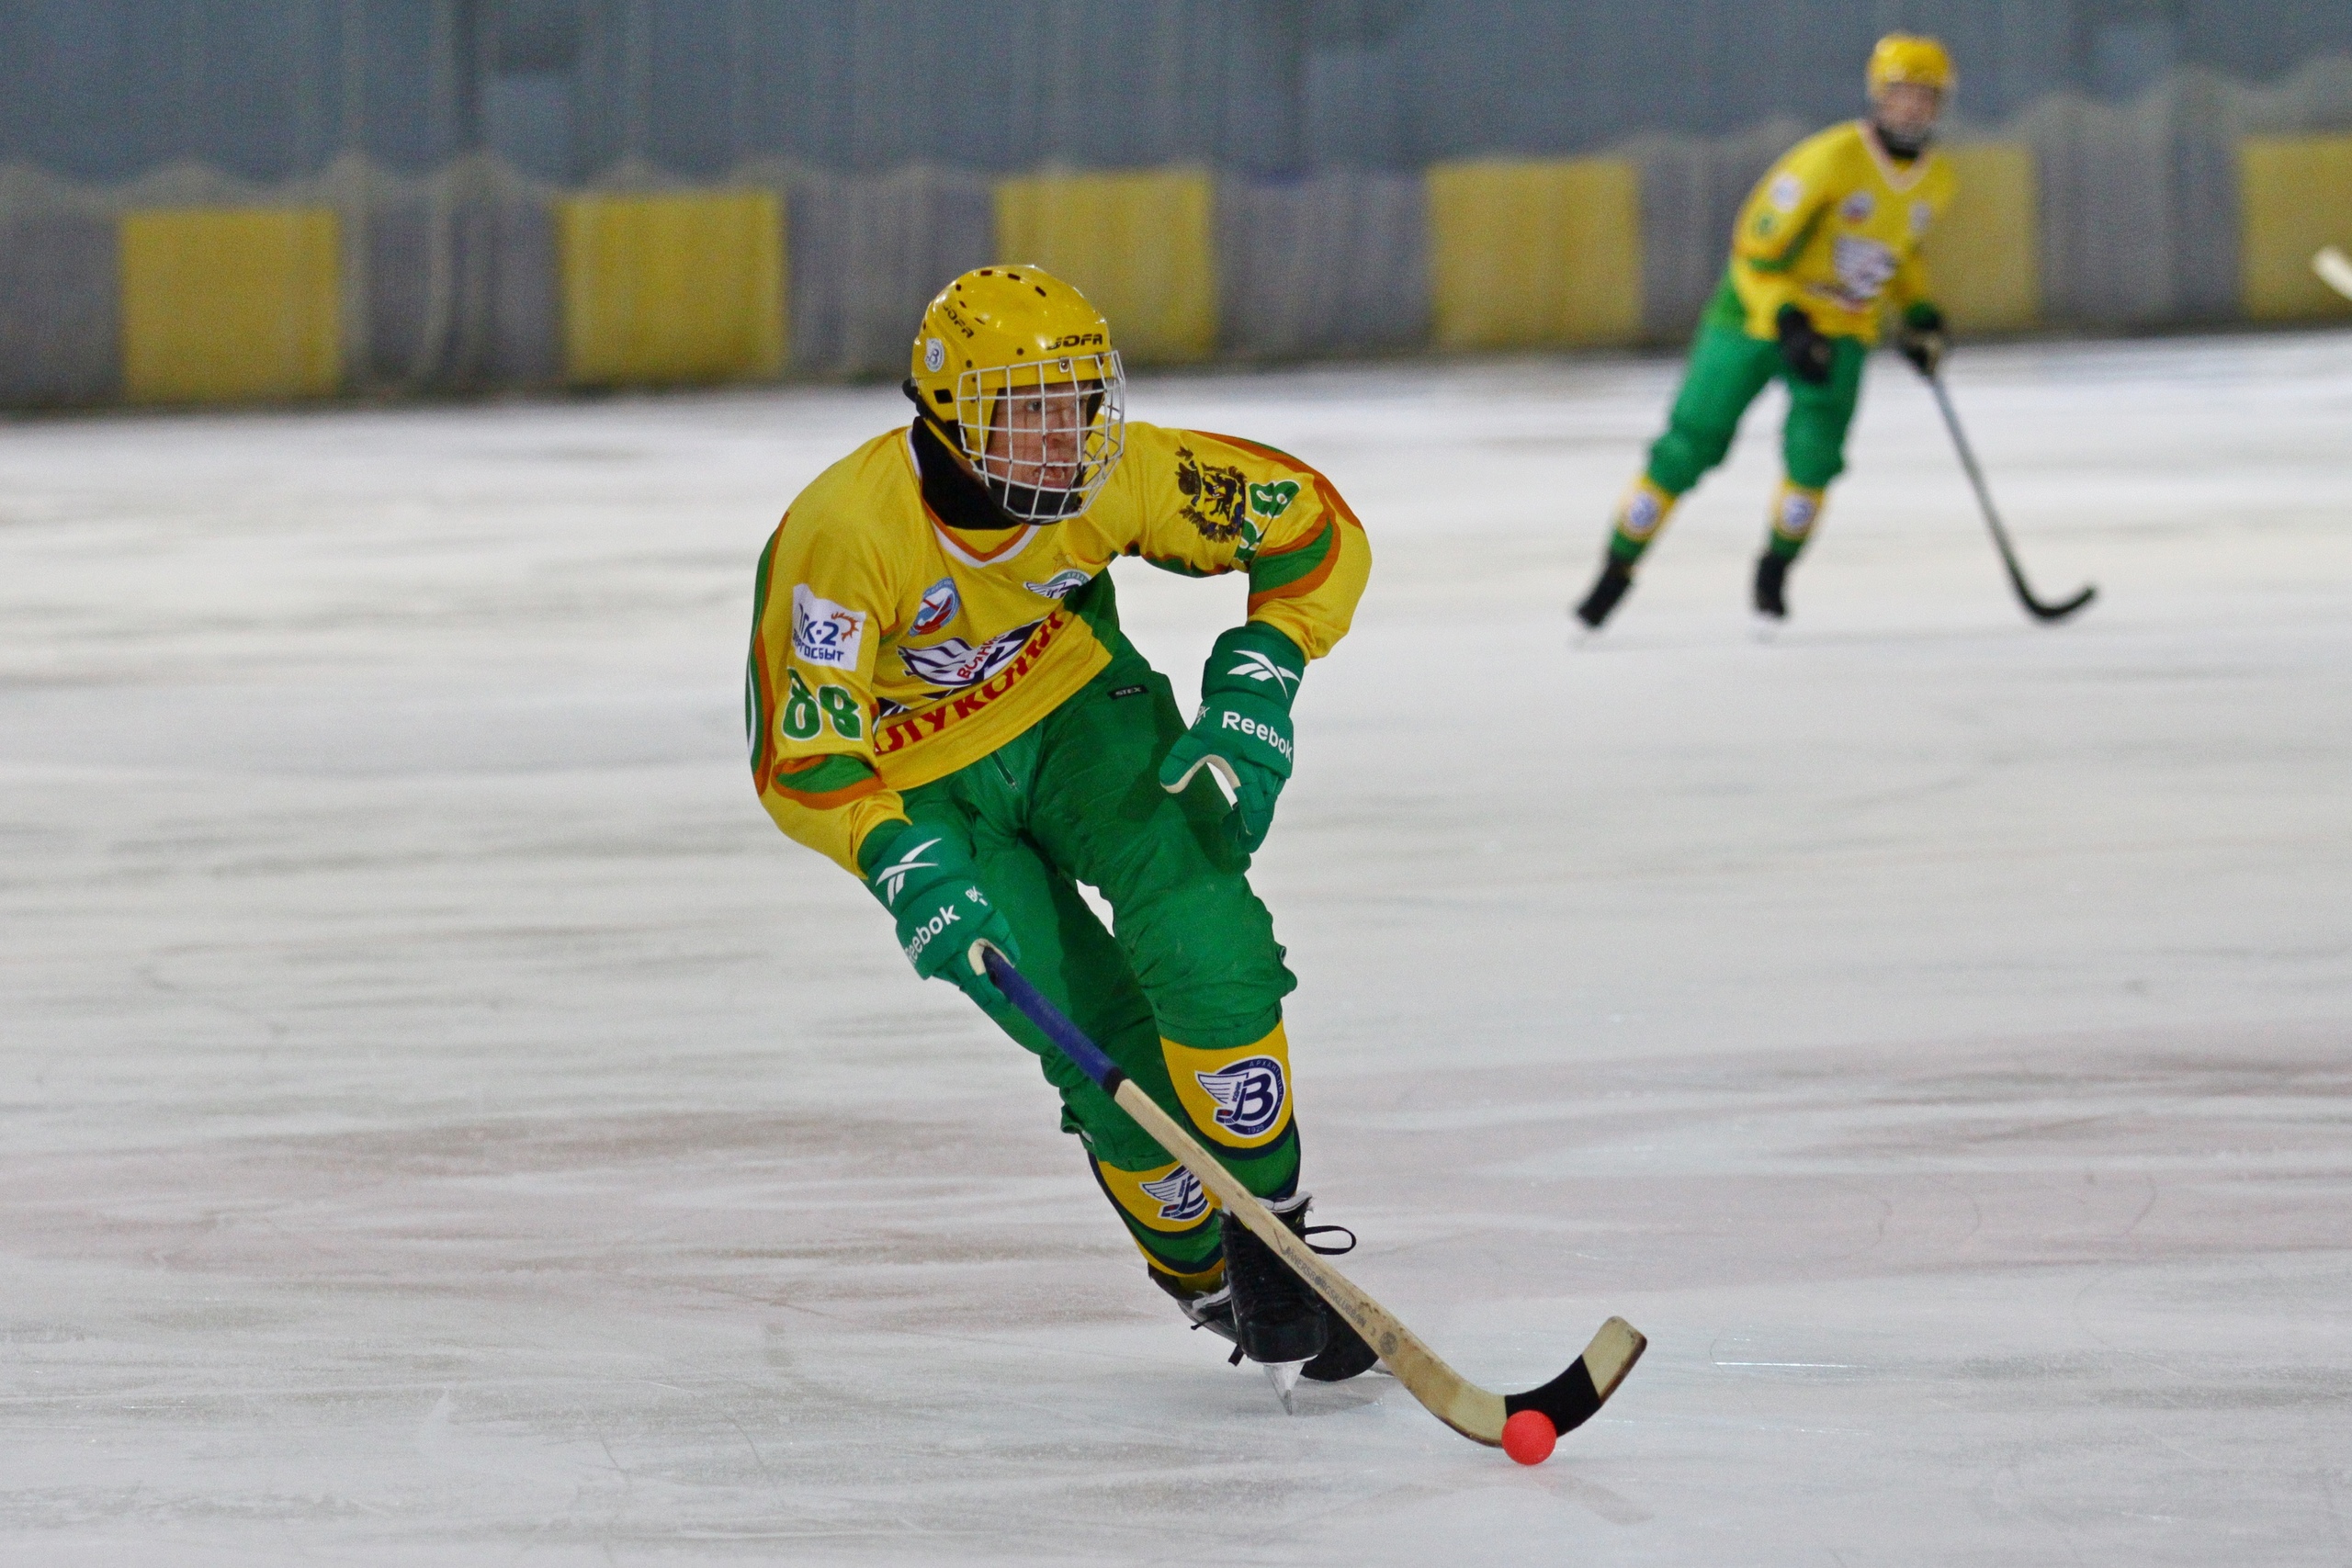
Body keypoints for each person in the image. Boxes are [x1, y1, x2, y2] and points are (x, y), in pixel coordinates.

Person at [745, 265, 1377, 1384]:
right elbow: (804, 753)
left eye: (1077, 406)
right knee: (1099, 1048)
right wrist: (893, 858)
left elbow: (1311, 530)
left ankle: (1270, 1219)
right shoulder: (845, 536)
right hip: (923, 784)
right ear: (946, 414)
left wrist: (1262, 673)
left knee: (1205, 934)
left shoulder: (1120, 477)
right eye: (1024, 411)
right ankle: (1200, 1269)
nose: (1063, 441)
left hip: (1082, 709)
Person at [1576, 33, 1960, 628]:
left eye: (1925, 96)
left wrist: (1920, 314)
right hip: (1753, 319)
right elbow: (1756, 250)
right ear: (1878, 96)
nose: (1912, 107)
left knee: (1815, 460)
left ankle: (1775, 570)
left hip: (1841, 329)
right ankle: (1617, 566)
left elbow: (1898, 253)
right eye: (1901, 93)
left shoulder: (1936, 182)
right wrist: (1787, 319)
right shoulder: (1829, 159)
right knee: (1689, 444)